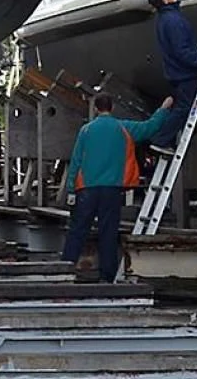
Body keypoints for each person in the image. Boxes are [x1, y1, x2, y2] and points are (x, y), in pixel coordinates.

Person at [62, 92, 174, 282]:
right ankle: (107, 276)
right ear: (111, 108)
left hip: (86, 189)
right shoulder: (123, 128)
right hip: (112, 189)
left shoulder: (86, 131)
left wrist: (71, 189)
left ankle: (64, 270)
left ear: (96, 109)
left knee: (78, 230)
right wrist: (163, 109)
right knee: (109, 232)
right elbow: (150, 128)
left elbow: (76, 161)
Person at [148, 0, 197, 149]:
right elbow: (182, 52)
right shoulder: (173, 20)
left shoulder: (164, 19)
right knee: (184, 108)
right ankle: (161, 139)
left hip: (176, 73)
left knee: (182, 107)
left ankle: (172, 137)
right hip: (184, 74)